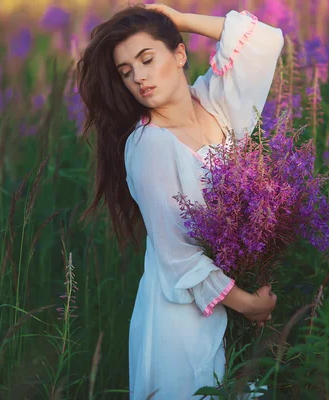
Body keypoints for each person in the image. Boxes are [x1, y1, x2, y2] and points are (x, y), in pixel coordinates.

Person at [76, 3, 283, 399]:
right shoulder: (149, 144)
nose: (138, 77)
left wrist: (179, 19)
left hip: (235, 298)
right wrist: (250, 305)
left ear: (180, 53)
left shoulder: (214, 104)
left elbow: (264, 40)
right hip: (182, 318)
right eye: (126, 72)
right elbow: (178, 259)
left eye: (146, 59)